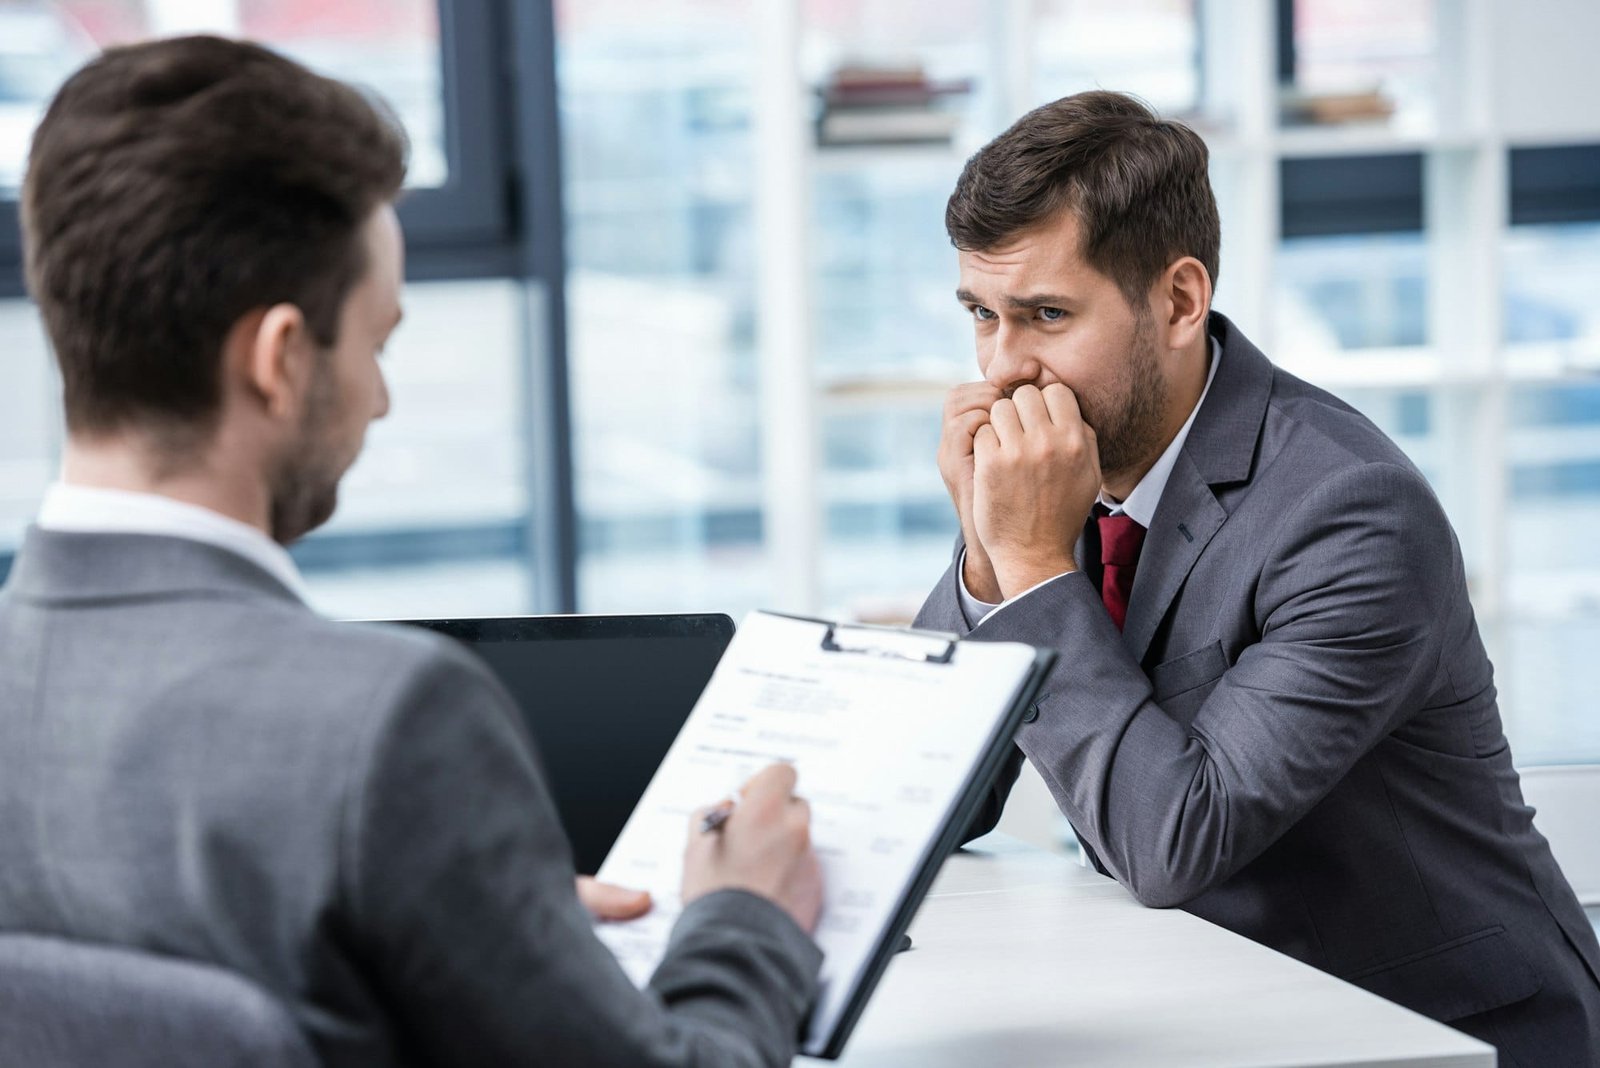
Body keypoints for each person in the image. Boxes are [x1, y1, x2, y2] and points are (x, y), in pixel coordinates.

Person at [0, 35, 823, 1067]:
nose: (380, 399)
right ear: (282, 360)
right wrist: (745, 921)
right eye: (376, 342)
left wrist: (467, 913)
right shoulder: (382, 723)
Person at [914, 90, 1600, 1065]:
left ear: (1180, 301)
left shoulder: (1349, 511)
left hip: (1440, 1034)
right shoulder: (1062, 481)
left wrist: (1024, 564)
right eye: (981, 315)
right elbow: (932, 800)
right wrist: (987, 552)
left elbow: (1168, 843)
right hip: (1226, 1007)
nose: (1003, 367)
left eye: (1046, 315)